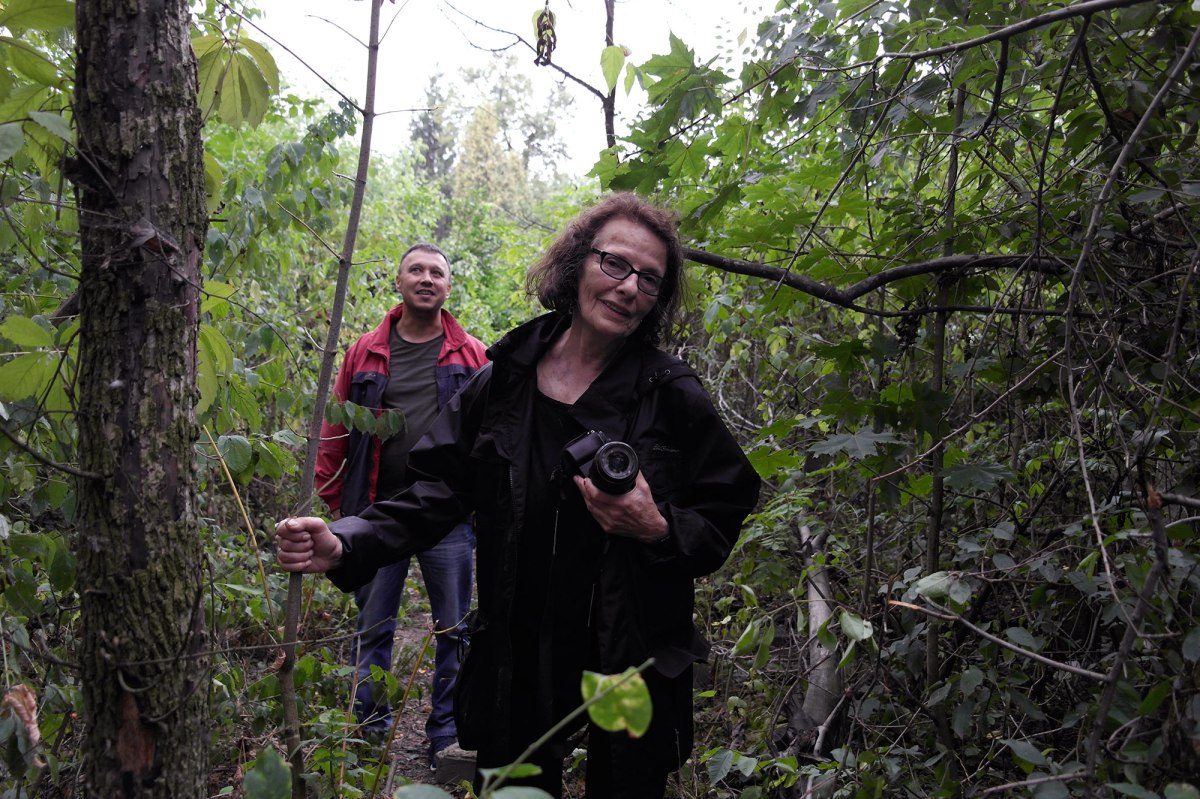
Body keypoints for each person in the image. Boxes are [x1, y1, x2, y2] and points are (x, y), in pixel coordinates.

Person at [279, 194, 761, 797]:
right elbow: (438, 489)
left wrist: (658, 527)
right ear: (577, 264)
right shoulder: (505, 378)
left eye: (649, 278)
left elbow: (725, 503)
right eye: (614, 263)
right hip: (518, 649)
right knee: (513, 785)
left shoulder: (669, 392)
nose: (629, 287)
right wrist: (346, 542)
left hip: (628, 653)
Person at [314, 242, 488, 765]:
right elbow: (336, 427)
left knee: (453, 629)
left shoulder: (472, 355)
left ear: (448, 287)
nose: (426, 278)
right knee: (373, 628)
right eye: (416, 269)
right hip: (373, 512)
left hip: (447, 517)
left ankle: (446, 735)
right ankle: (369, 735)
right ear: (399, 281)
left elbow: (489, 435)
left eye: (437, 271)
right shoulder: (365, 351)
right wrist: (336, 502)